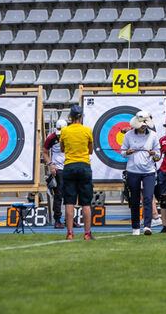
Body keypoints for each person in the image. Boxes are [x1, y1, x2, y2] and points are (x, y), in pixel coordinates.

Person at [59, 103, 95, 240]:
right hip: (84, 165)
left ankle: (69, 233)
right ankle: (87, 233)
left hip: (69, 166)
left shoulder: (65, 131)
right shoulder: (87, 130)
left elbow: (62, 148)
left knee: (69, 202)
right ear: (82, 117)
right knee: (86, 202)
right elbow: (90, 150)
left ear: (69, 116)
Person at [121, 110, 160, 236]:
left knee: (148, 198)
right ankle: (135, 227)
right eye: (141, 124)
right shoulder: (128, 136)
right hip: (133, 171)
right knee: (135, 199)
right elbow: (122, 153)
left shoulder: (153, 135)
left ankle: (147, 226)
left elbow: (159, 154)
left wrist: (154, 153)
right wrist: (128, 152)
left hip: (149, 171)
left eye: (145, 124)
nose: (143, 126)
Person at [41, 118, 67, 229]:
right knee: (58, 195)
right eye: (58, 133)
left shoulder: (72, 137)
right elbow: (45, 152)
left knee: (71, 194)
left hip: (70, 167)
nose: (59, 136)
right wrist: (50, 164)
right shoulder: (51, 138)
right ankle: (57, 220)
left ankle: (71, 219)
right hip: (58, 169)